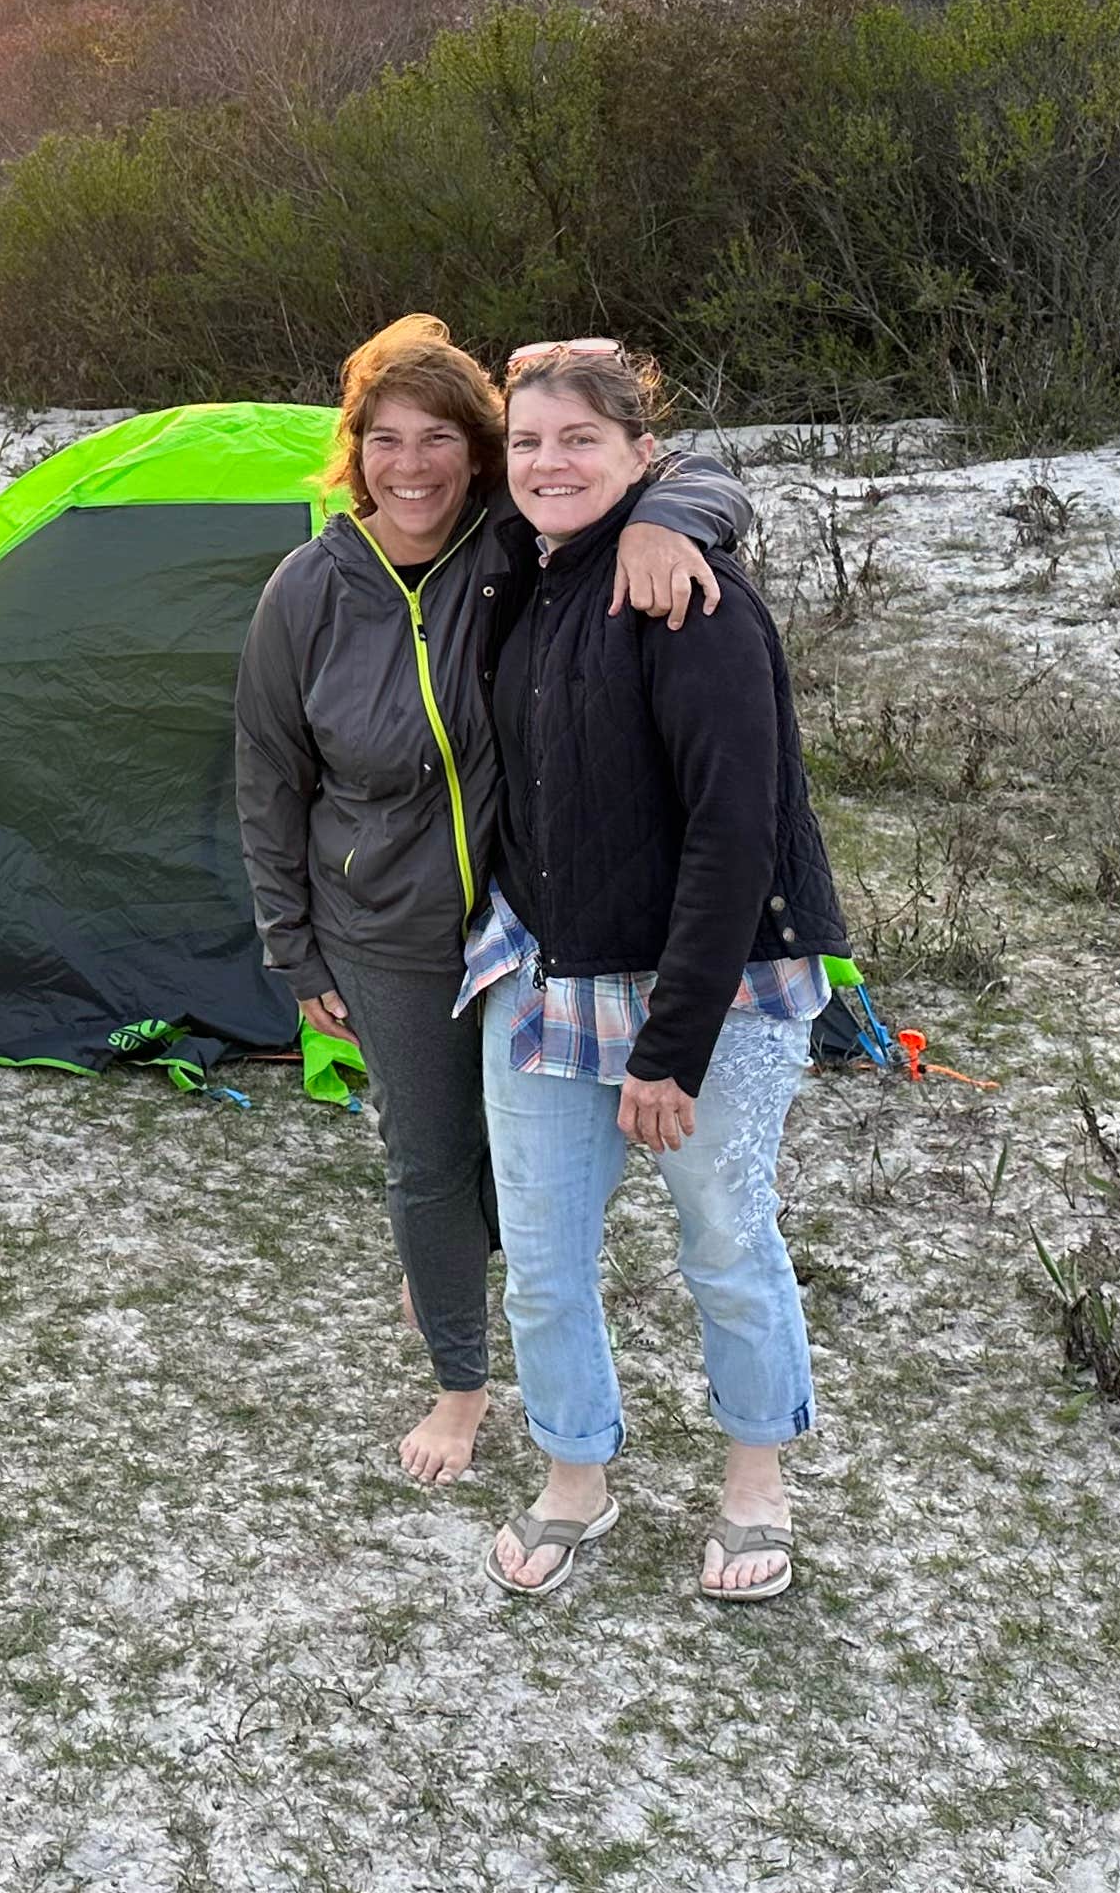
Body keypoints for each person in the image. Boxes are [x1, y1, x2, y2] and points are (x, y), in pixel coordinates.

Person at [233, 316, 750, 1487]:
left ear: (477, 451)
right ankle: (461, 1385)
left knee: (512, 1168)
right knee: (427, 1156)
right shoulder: (306, 592)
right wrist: (293, 948)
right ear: (352, 450)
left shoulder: (515, 544)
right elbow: (265, 779)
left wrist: (668, 521)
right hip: (385, 931)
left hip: (526, 922)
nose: (409, 467)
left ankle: (454, 1264)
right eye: (383, 440)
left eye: (436, 441)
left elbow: (687, 469)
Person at [472, 338, 843, 1604]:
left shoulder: (690, 596)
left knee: (727, 1238)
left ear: (642, 456)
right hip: (542, 977)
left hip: (705, 992)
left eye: (579, 438)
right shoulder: (524, 574)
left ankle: (756, 1478)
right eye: (526, 440)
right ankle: (576, 1471)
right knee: (542, 1254)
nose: (547, 462)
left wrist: (668, 1046)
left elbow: (735, 833)